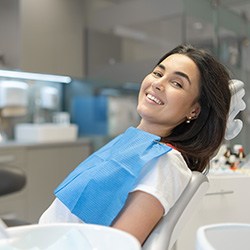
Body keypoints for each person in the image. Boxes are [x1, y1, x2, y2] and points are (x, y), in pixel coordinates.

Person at [39, 44, 232, 245]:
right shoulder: (133, 142)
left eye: (177, 83)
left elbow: (118, 245)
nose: (158, 84)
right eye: (158, 73)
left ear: (194, 110)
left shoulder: (165, 162)